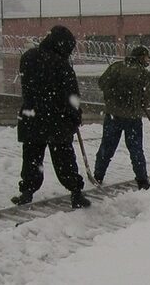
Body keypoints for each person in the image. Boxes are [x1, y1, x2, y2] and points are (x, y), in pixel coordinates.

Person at [11, 25, 90, 208]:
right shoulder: (62, 65)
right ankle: (76, 192)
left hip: (32, 116)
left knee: (32, 158)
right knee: (64, 159)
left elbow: (27, 86)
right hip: (57, 120)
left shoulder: (28, 57)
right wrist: (75, 116)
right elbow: (71, 95)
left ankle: (27, 191)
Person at [93, 45, 150, 190]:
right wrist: (140, 102)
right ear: (141, 57)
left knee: (107, 146)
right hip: (133, 118)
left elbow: (102, 83)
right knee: (136, 149)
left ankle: (98, 175)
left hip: (113, 115)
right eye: (147, 58)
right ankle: (142, 180)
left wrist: (113, 97)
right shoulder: (143, 74)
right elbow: (148, 99)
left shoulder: (116, 67)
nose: (148, 61)